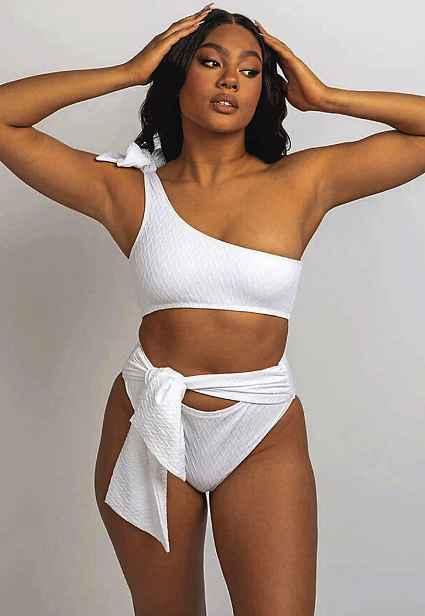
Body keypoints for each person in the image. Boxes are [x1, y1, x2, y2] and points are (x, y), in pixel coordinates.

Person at [1, 4, 425, 615]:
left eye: (251, 71)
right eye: (210, 62)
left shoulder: (304, 182)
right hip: (149, 421)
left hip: (260, 428)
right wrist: (128, 71)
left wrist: (327, 97)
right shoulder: (127, 190)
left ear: (264, 92)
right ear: (178, 75)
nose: (231, 80)